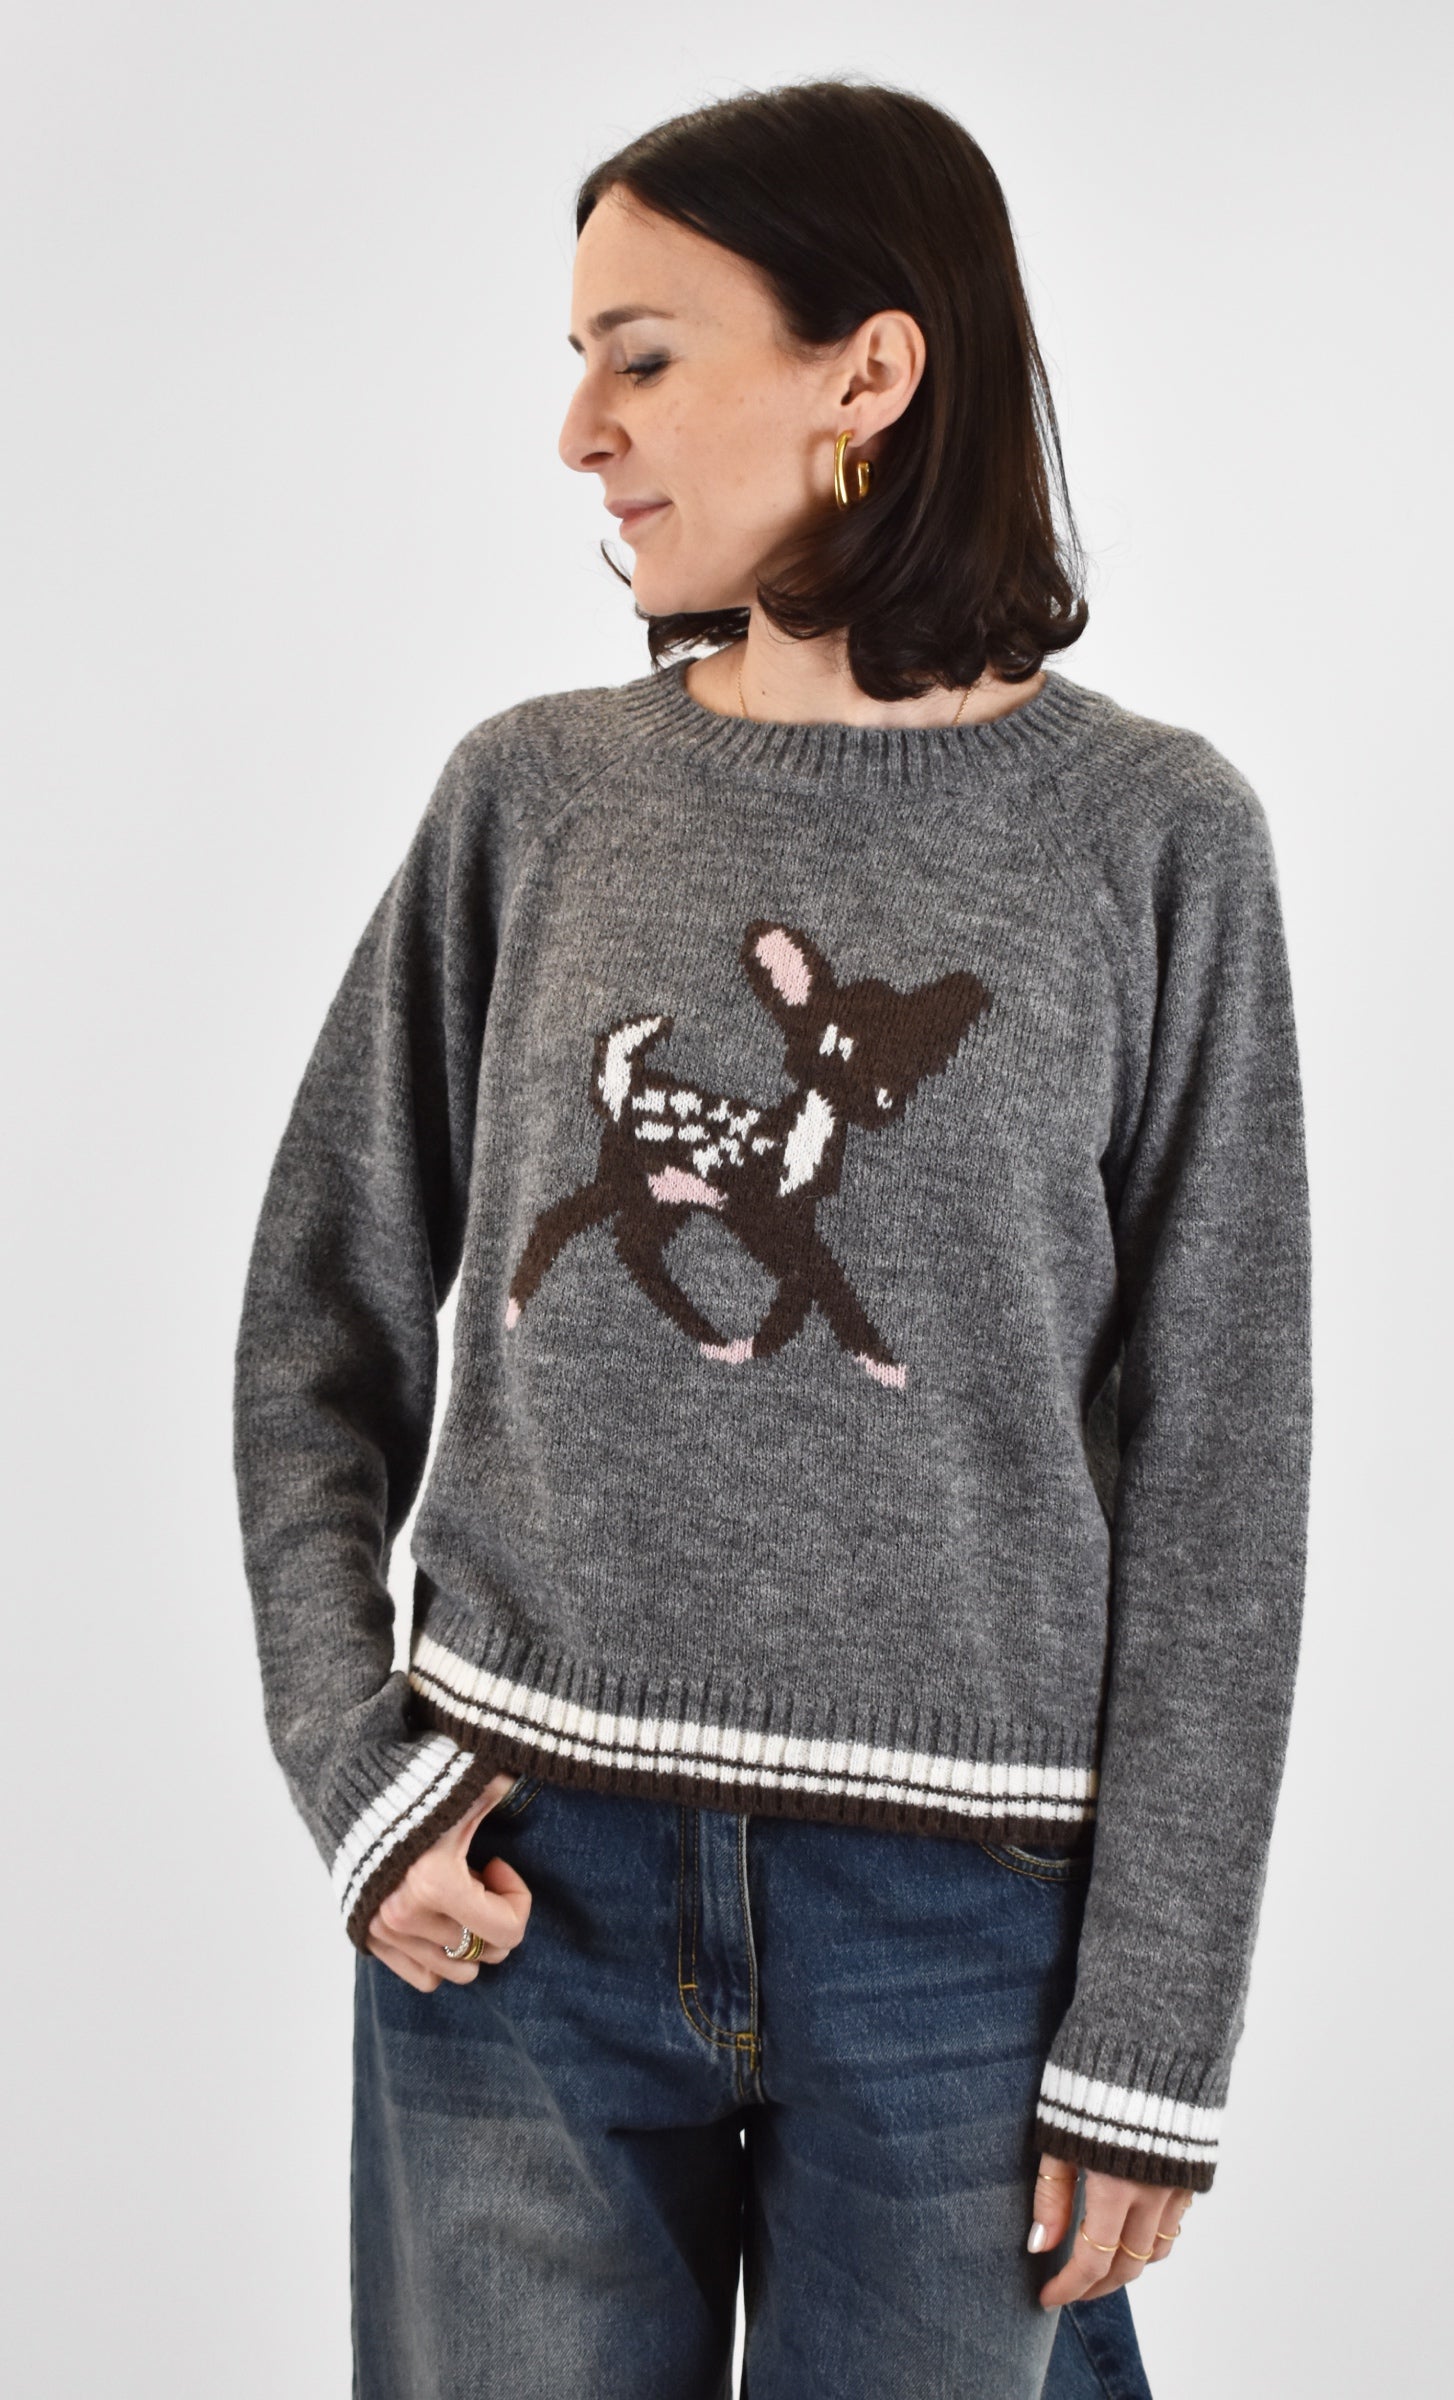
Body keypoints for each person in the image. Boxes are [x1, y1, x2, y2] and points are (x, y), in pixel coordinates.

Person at [232, 76, 1312, 2400]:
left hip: (959, 1943)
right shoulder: (536, 798)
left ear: (868, 372)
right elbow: (316, 1322)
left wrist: (1154, 2023)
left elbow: (1223, 1463)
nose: (578, 433)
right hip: (520, 1903)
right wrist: (357, 1774)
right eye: (576, 364)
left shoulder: (1151, 841)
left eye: (639, 356)